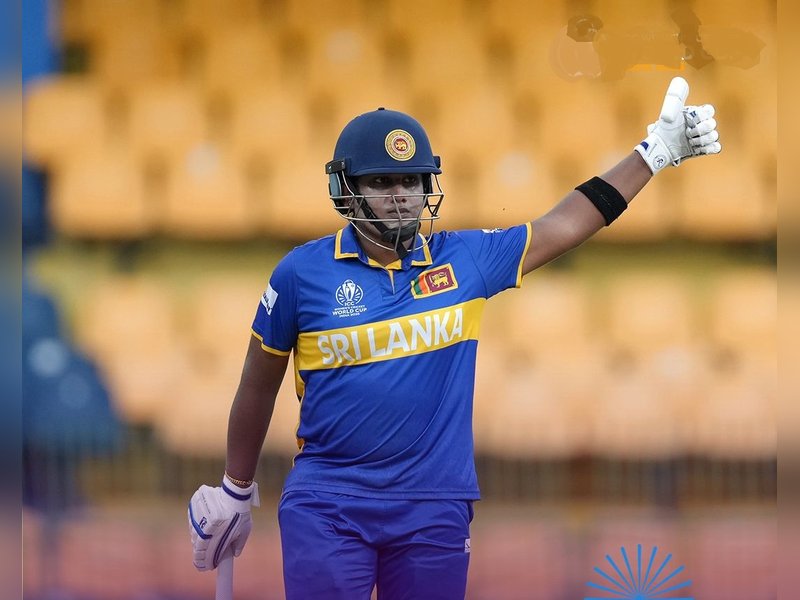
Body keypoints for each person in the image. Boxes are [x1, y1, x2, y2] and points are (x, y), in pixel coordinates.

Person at [188, 77, 720, 599]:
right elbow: (258, 384)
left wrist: (653, 154)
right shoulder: (300, 274)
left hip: (434, 504)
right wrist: (236, 489)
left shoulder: (465, 259)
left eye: (412, 181)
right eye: (381, 182)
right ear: (346, 188)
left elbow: (565, 224)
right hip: (328, 503)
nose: (400, 196)